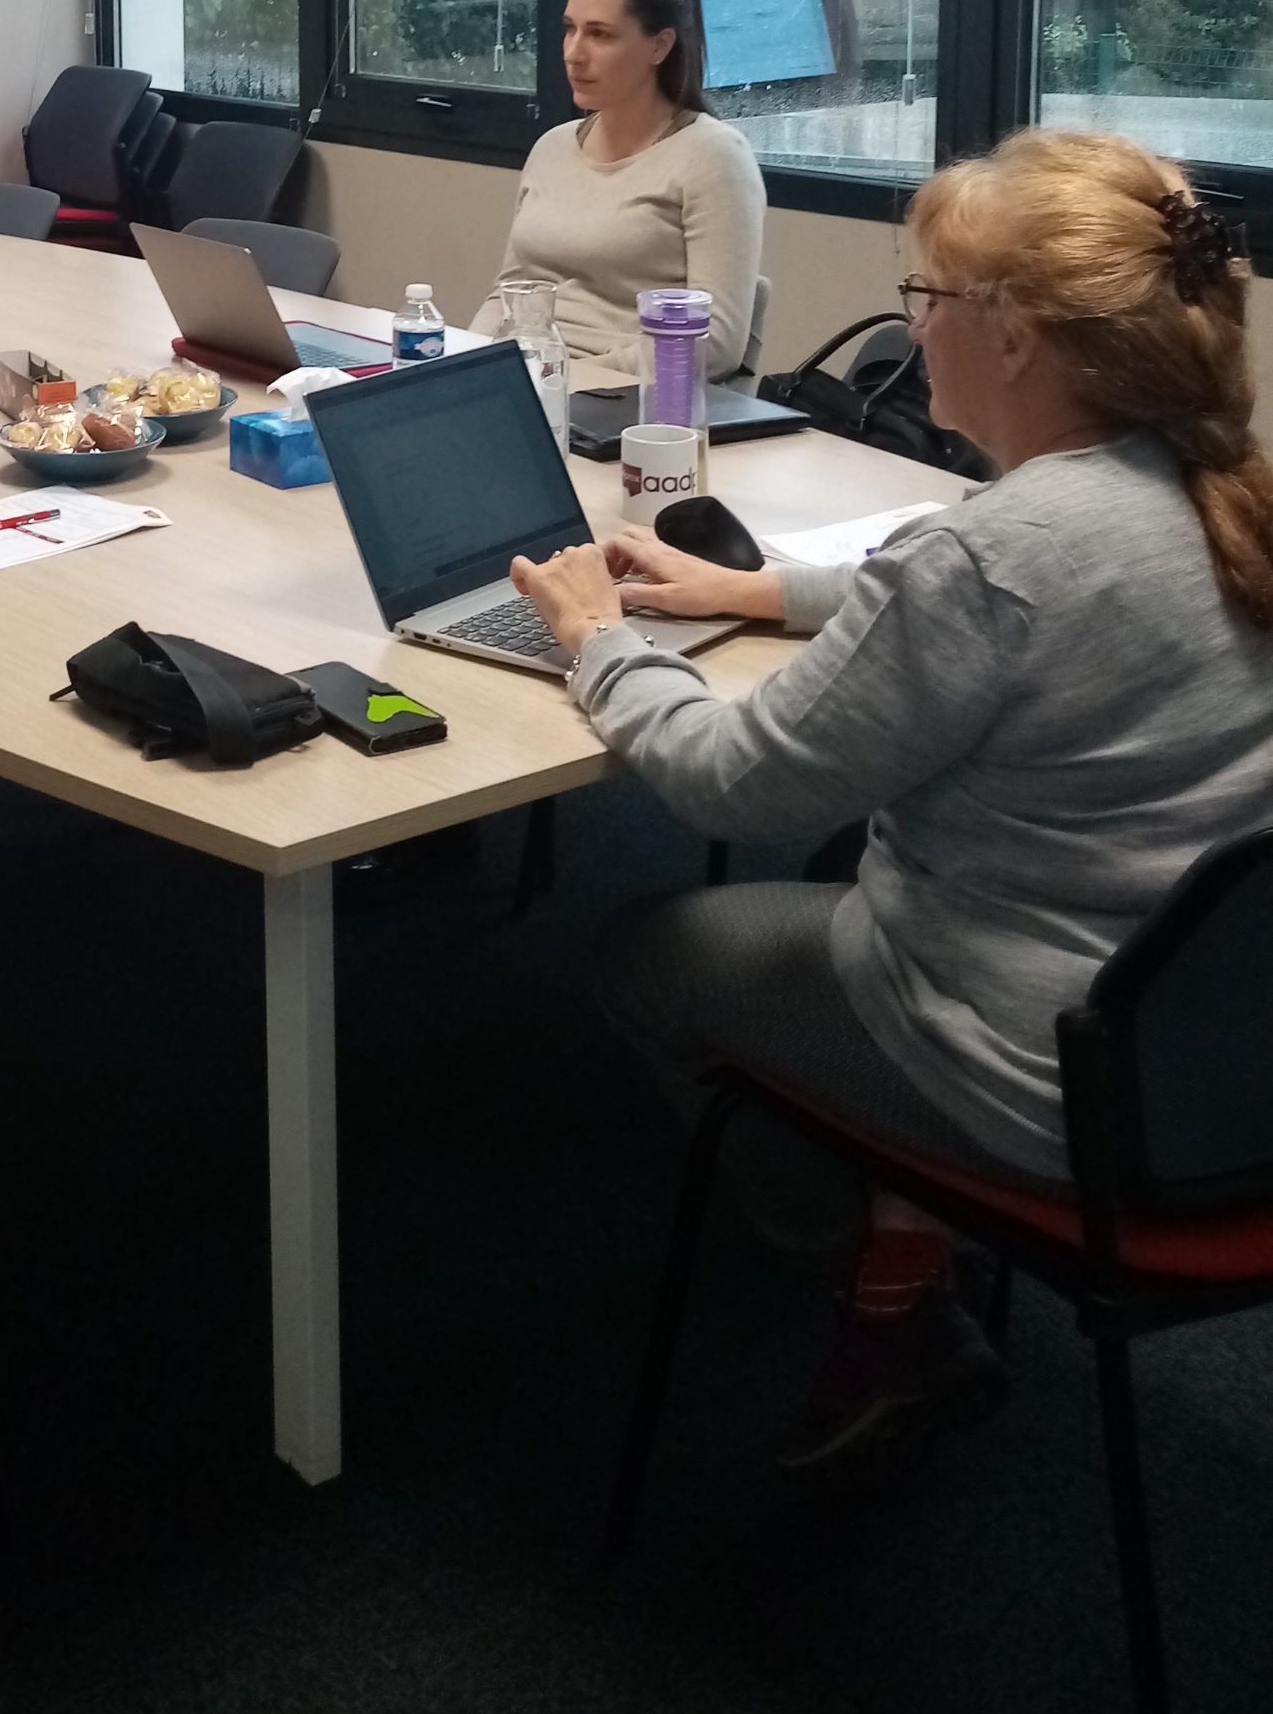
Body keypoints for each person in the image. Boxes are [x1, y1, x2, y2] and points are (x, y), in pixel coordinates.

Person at [509, 128, 1273, 1484]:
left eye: (927, 297)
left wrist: (597, 642)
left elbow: (726, 779)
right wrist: (757, 591)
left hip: (1052, 1083)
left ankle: (888, 1299)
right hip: (1221, 1055)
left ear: (1017, 336)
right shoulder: (1222, 492)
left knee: (647, 952)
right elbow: (981, 596)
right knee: (845, 849)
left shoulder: (989, 558)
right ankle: (909, 1227)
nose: (912, 329)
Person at [473, 0, 763, 386]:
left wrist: (567, 378)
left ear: (659, 47)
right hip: (530, 383)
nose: (573, 53)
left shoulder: (713, 156)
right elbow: (508, 295)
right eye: (570, 29)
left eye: (600, 35)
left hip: (626, 398)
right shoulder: (552, 147)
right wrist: (467, 366)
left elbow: (715, 342)